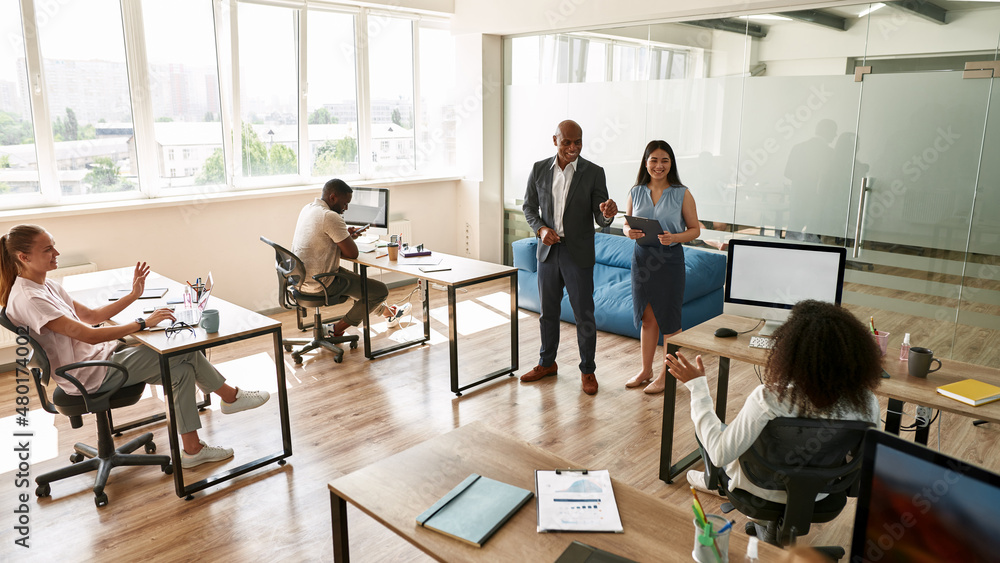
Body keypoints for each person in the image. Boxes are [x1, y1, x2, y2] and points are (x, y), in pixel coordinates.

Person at [1, 224, 270, 469]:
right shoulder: (30, 297)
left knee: (180, 371)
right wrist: (143, 323)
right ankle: (230, 397)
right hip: (89, 373)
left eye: (54, 245)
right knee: (181, 351)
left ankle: (193, 449)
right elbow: (91, 335)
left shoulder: (45, 285)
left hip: (97, 359)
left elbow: (93, 317)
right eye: (48, 249)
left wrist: (134, 295)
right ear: (24, 257)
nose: (56, 252)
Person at [665, 300, 881, 504]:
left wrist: (698, 387)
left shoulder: (769, 398)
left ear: (791, 354)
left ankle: (718, 484)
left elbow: (720, 454)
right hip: (820, 493)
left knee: (712, 430)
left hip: (758, 488)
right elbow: (862, 461)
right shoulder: (868, 403)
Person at [520, 120, 618, 395]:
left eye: (578, 142)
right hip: (548, 252)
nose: (573, 148)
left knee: (584, 314)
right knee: (547, 313)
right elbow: (528, 206)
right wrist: (540, 229)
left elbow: (600, 216)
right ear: (555, 141)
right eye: (567, 142)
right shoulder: (539, 169)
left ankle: (588, 371)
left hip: (578, 254)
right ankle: (547, 363)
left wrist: (607, 212)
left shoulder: (594, 172)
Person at [623, 140, 700, 394]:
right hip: (642, 259)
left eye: (664, 160)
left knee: (670, 319)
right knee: (647, 318)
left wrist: (674, 237)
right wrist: (629, 232)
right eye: (654, 160)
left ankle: (669, 376)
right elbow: (626, 224)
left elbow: (695, 230)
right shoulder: (635, 191)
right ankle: (646, 371)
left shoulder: (682, 193)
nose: (659, 165)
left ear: (671, 163)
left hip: (669, 261)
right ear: (646, 163)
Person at [291, 179, 411, 339]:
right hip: (320, 282)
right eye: (345, 203)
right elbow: (352, 254)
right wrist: (347, 238)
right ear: (333, 197)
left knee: (359, 283)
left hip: (299, 278)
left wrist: (345, 235)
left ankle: (389, 313)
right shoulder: (330, 217)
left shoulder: (308, 208)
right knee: (379, 291)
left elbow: (321, 240)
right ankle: (336, 329)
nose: (346, 208)